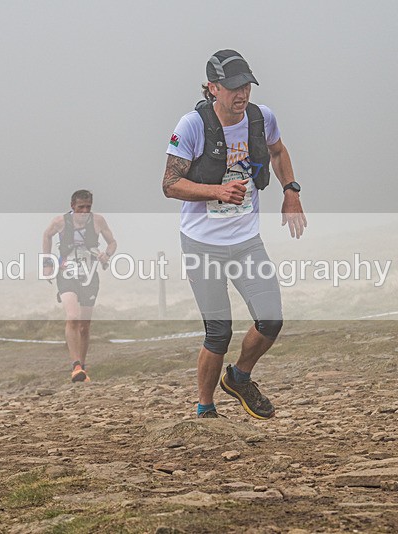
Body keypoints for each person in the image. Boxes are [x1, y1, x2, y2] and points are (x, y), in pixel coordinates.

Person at [162, 50, 307, 419]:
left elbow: (277, 151)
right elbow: (170, 184)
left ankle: (239, 377)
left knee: (271, 320)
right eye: (231, 87)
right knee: (219, 331)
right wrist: (217, 191)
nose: (241, 94)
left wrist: (291, 191)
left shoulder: (261, 118)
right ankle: (205, 408)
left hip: (245, 242)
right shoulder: (193, 125)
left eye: (246, 86)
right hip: (201, 243)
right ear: (212, 88)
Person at [42, 190, 117, 382]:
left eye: (88, 207)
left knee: (84, 325)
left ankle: (81, 368)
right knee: (73, 317)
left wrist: (106, 255)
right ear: (72, 206)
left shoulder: (98, 221)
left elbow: (112, 242)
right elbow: (47, 235)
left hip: (90, 274)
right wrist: (48, 263)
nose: (84, 211)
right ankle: (75, 365)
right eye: (80, 207)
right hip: (66, 273)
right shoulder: (60, 222)